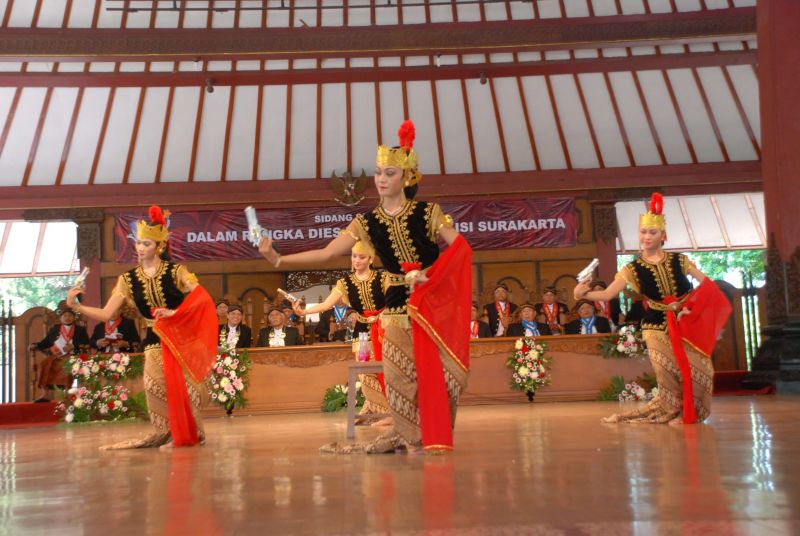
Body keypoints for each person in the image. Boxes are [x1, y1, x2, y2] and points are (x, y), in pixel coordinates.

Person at [259, 119, 472, 453]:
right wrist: (278, 259)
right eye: (378, 172)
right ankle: (410, 436)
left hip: (432, 302)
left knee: (443, 375)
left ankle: (435, 431)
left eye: (390, 173)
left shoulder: (429, 212)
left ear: (406, 177)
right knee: (398, 376)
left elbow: (461, 248)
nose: (381, 179)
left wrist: (430, 275)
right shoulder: (366, 222)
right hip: (396, 304)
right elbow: (327, 252)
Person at [66, 206, 218, 449]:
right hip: (154, 338)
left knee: (188, 388)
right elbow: (107, 313)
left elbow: (201, 297)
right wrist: (76, 306)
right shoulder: (127, 280)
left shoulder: (176, 271)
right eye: (138, 243)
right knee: (155, 387)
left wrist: (174, 313)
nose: (140, 247)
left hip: (181, 336)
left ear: (159, 246)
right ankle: (167, 432)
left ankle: (193, 433)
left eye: (146, 243)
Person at [574, 193, 731, 425]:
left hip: (685, 320)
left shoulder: (680, 260)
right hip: (655, 324)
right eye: (643, 232)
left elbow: (706, 284)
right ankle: (672, 410)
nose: (646, 237)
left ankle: (692, 412)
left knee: (701, 369)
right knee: (667, 372)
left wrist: (690, 307)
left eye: (652, 232)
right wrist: (582, 294)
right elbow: (608, 295)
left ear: (663, 235)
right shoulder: (631, 269)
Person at [293, 240, 391, 423]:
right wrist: (303, 312)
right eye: (354, 256)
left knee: (387, 370)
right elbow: (326, 304)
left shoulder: (383, 278)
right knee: (365, 372)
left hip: (384, 329)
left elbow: (395, 301)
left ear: (370, 259)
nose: (357, 260)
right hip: (363, 332)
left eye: (362, 257)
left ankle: (377, 411)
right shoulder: (345, 283)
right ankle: (382, 411)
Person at [29, 301, 91, 402]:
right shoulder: (55, 329)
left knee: (66, 365)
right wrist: (35, 345)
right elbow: (46, 342)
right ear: (60, 318)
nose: (67, 317)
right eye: (65, 315)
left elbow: (87, 343)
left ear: (74, 318)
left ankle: (66, 394)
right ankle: (45, 394)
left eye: (70, 315)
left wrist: (73, 346)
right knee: (44, 364)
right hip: (57, 356)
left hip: (73, 356)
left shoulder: (80, 330)